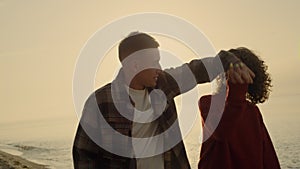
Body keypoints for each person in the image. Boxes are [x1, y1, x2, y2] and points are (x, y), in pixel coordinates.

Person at [72, 32, 254, 169]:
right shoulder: (100, 102)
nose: (160, 67)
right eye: (155, 61)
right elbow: (84, 154)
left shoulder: (163, 85)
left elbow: (199, 69)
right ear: (135, 65)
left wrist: (231, 61)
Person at [198, 47, 281, 169]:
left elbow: (267, 155)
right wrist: (236, 91)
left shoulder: (253, 112)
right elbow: (222, 132)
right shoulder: (208, 103)